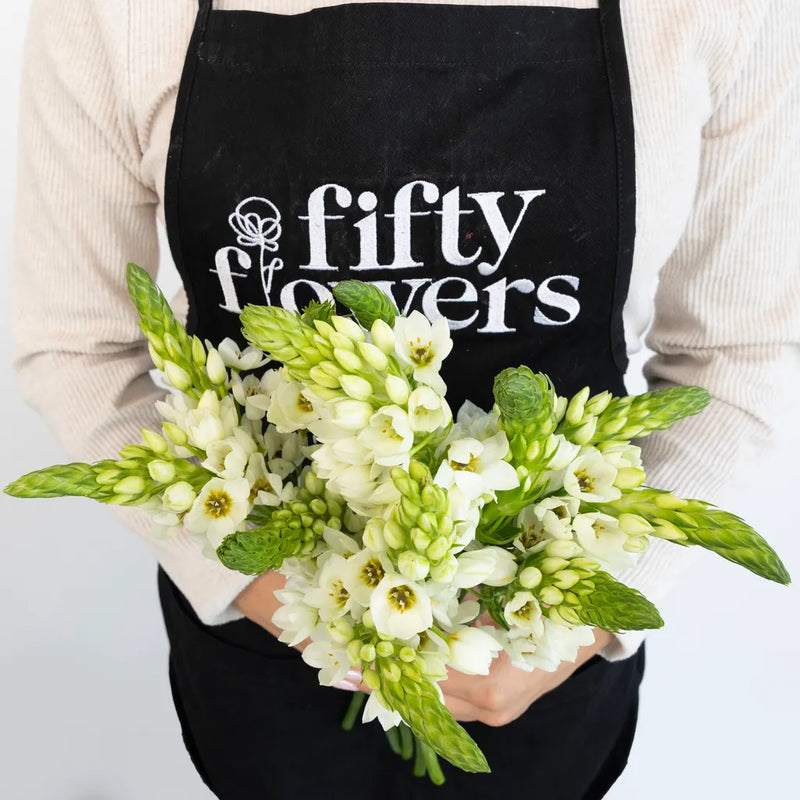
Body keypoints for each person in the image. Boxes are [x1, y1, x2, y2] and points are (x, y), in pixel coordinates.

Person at [12, 1, 799, 798]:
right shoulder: (113, 13)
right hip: (271, 643)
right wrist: (319, 613)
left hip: (541, 658)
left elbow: (739, 355)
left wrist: (580, 620)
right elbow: (77, 346)